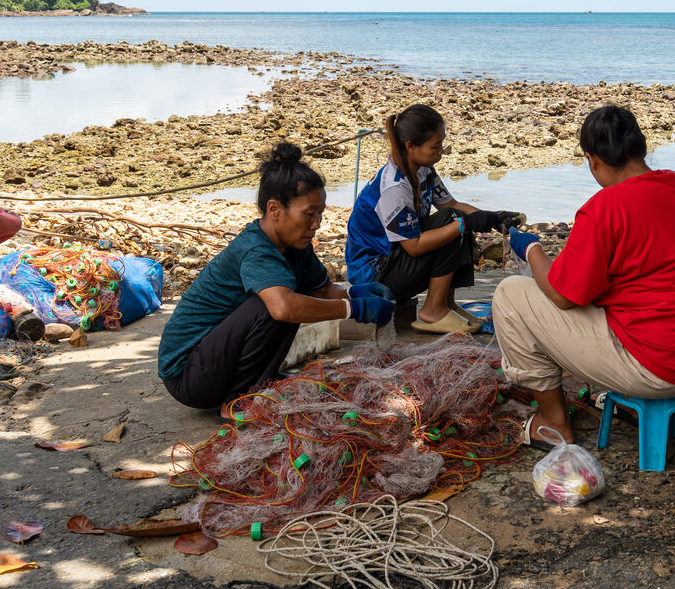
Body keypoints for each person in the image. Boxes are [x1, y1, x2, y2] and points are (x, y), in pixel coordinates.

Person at [492, 105, 675, 448]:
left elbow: (562, 296)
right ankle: (631, 401)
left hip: (664, 365)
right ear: (641, 147)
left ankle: (553, 423)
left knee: (510, 293)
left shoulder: (604, 207)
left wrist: (532, 248)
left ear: (593, 160)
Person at [158, 143, 393, 410]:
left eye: (320, 214)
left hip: (213, 362)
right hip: (189, 375)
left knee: (294, 296)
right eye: (309, 214)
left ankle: (259, 382)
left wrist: (355, 292)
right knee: (279, 304)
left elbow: (322, 289)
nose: (317, 224)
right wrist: (352, 309)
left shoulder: (296, 245)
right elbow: (282, 307)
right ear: (274, 210)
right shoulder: (257, 249)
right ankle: (239, 400)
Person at [345, 104, 519, 334]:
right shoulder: (395, 187)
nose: (441, 151)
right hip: (375, 276)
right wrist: (466, 224)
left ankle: (446, 304)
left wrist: (492, 218)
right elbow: (414, 246)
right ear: (410, 146)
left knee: (456, 218)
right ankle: (433, 310)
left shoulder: (422, 169)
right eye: (436, 146)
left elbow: (452, 204)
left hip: (396, 258)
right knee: (454, 222)